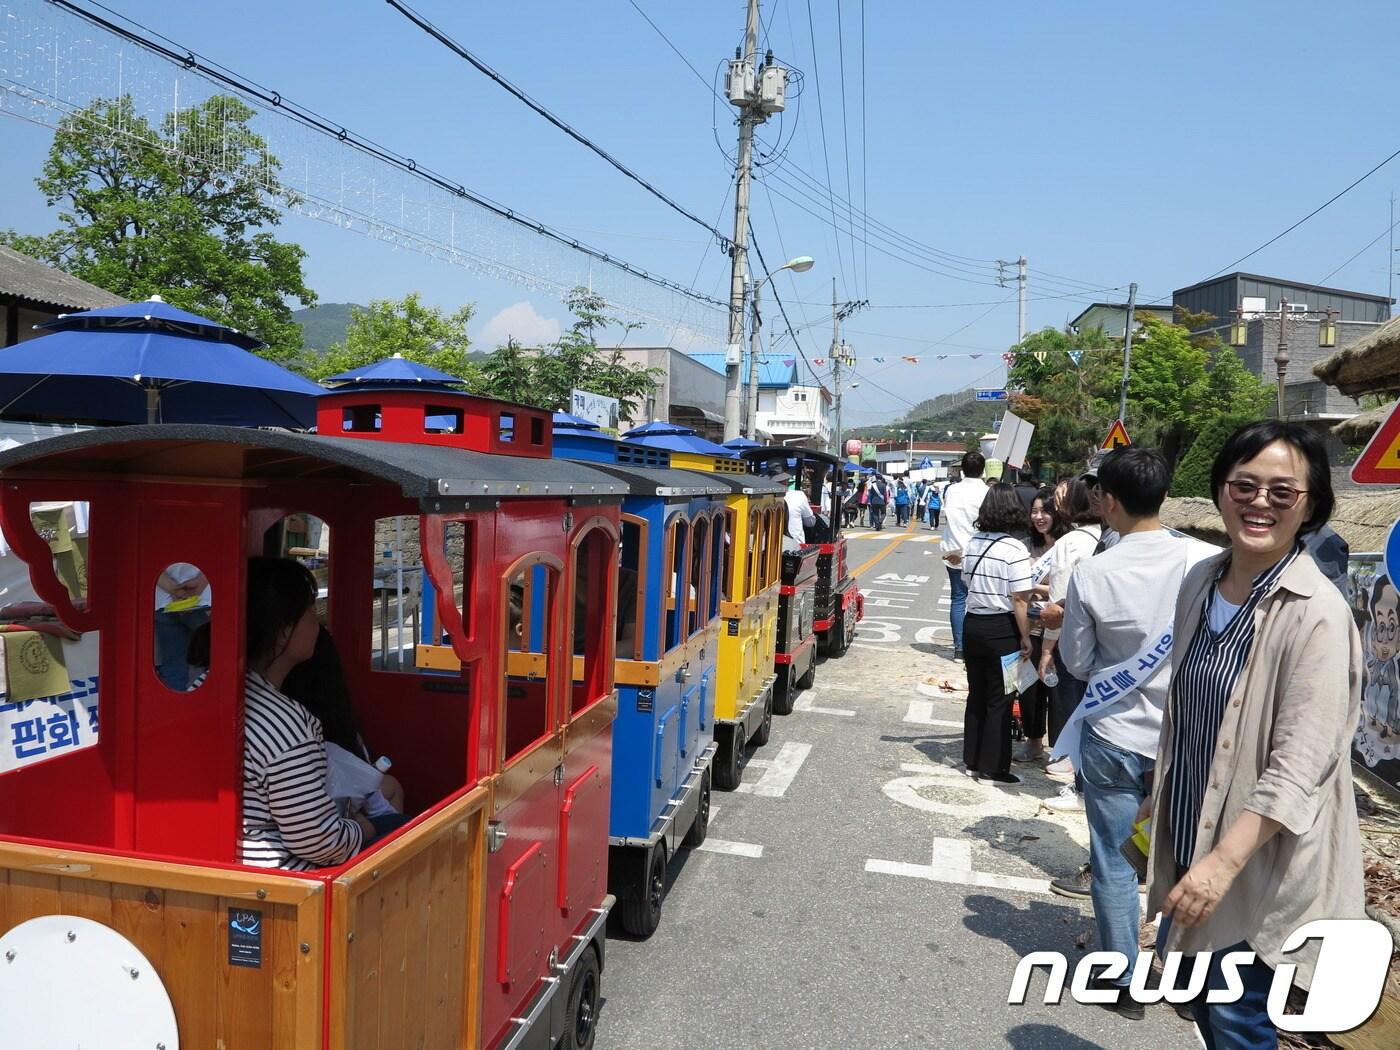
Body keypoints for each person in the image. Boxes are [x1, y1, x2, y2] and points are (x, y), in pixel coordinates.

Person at [1146, 421, 1364, 1047]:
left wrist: (1220, 865)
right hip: (1194, 840)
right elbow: (1189, 718)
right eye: (1244, 485)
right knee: (1209, 1017)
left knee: (1239, 1021)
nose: (1259, 502)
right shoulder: (1200, 583)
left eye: (1281, 491)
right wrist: (1158, 799)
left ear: (1311, 505)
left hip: (1255, 868)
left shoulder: (1317, 614)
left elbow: (1300, 767)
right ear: (1219, 491)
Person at [1050, 447, 1216, 1019]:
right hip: (1190, 741)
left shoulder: (1093, 572)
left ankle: (1120, 980)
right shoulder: (1207, 560)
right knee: (1190, 858)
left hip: (1115, 734)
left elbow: (1074, 661)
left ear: (1109, 501)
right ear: (1165, 494)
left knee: (1114, 858)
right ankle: (1186, 979)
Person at [239, 558, 374, 870]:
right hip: (282, 882)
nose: (319, 624)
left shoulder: (208, 686)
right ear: (284, 633)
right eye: (312, 612)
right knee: (400, 826)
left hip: (231, 863)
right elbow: (319, 841)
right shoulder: (284, 723)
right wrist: (362, 828)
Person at [283, 626, 408, 820]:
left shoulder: (277, 715)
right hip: (337, 826)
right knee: (392, 792)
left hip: (317, 816)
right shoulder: (336, 724)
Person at [1035, 476, 1104, 803]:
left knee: (1075, 711)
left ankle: (1078, 787)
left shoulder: (1070, 543)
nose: (1055, 501)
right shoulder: (1108, 536)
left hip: (1073, 642)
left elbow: (1057, 608)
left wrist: (1047, 650)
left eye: (1061, 495)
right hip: (1105, 643)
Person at [960, 483, 1033, 784]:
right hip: (1002, 630)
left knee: (976, 694)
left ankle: (973, 760)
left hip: (973, 625)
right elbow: (1020, 599)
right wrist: (1026, 637)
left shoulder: (973, 541)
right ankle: (994, 766)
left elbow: (966, 580)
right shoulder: (1015, 549)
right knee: (1000, 698)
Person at [1013, 487, 1066, 764]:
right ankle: (1033, 743)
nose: (1039, 517)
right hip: (1030, 628)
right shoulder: (1025, 546)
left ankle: (1058, 750)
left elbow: (1065, 588)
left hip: (1059, 631)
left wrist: (1036, 587)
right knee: (1030, 689)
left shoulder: (1068, 545)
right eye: (1034, 511)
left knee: (1057, 692)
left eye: (1045, 511)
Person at [940, 453, 989, 659]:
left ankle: (959, 648)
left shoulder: (951, 490)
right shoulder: (987, 492)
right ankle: (976, 648)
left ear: (962, 468)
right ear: (983, 469)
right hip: (980, 551)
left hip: (954, 550)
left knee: (958, 598)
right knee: (980, 600)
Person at [155, 563, 211, 690]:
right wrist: (201, 581)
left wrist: (173, 589)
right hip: (203, 599)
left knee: (174, 665)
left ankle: (173, 708)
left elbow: (148, 563)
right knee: (218, 659)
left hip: (164, 601)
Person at [783, 475, 815, 546]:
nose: (805, 489)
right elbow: (810, 522)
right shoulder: (798, 495)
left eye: (807, 486)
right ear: (786, 482)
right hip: (796, 543)